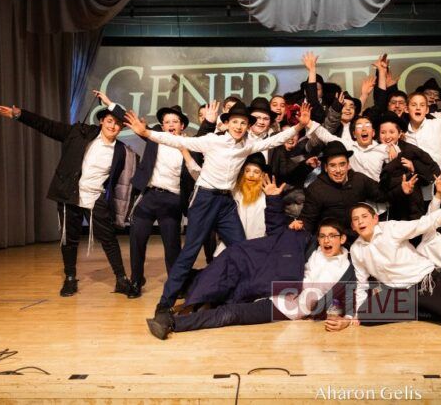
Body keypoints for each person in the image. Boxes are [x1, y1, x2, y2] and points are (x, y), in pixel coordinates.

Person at [124, 101, 312, 318]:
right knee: (190, 251)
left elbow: (274, 140)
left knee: (241, 248)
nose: (239, 126)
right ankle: (165, 303)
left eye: (243, 123)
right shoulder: (213, 140)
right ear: (228, 123)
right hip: (205, 198)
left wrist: (300, 126)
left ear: (248, 126)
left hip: (226, 202)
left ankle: (241, 296)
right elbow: (177, 140)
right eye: (235, 122)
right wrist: (146, 133)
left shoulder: (248, 145)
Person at [145, 178, 359, 339]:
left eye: (332, 236)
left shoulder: (348, 267)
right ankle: (185, 307)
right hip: (272, 289)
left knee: (231, 314)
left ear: (342, 239)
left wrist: (347, 320)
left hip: (288, 308)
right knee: (226, 288)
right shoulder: (310, 247)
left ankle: (172, 323)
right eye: (323, 236)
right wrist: (273, 200)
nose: (326, 240)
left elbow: (357, 296)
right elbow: (277, 233)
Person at [0, 90, 134, 297]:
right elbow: (48, 126)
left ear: (122, 127)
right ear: (101, 121)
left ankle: (121, 279)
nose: (112, 126)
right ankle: (70, 278)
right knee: (69, 239)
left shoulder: (122, 150)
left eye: (117, 124)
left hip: (95, 197)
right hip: (70, 193)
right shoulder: (80, 133)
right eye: (109, 121)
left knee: (109, 239)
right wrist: (20, 115)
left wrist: (109, 102)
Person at [349, 187, 441, 333]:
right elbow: (361, 283)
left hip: (425, 284)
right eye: (356, 219)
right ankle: (425, 311)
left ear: (375, 219)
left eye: (364, 216)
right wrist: (357, 312)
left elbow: (426, 222)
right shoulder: (356, 249)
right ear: (353, 226)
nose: (360, 221)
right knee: (365, 316)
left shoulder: (392, 229)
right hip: (398, 293)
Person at [128, 105, 198, 298]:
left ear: (182, 125)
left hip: (172, 199)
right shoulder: (155, 139)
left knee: (172, 246)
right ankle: (136, 280)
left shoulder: (190, 146)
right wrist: (110, 103)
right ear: (162, 126)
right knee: (137, 239)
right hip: (149, 196)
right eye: (167, 122)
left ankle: (175, 285)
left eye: (175, 121)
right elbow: (136, 125)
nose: (170, 125)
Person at [299, 140, 416, 237]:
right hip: (333, 241)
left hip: (359, 237)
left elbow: (381, 196)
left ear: (348, 165)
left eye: (342, 164)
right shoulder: (316, 188)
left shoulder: (359, 179)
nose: (338, 170)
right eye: (333, 165)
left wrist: (401, 190)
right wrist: (298, 227)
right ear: (325, 168)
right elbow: (308, 220)